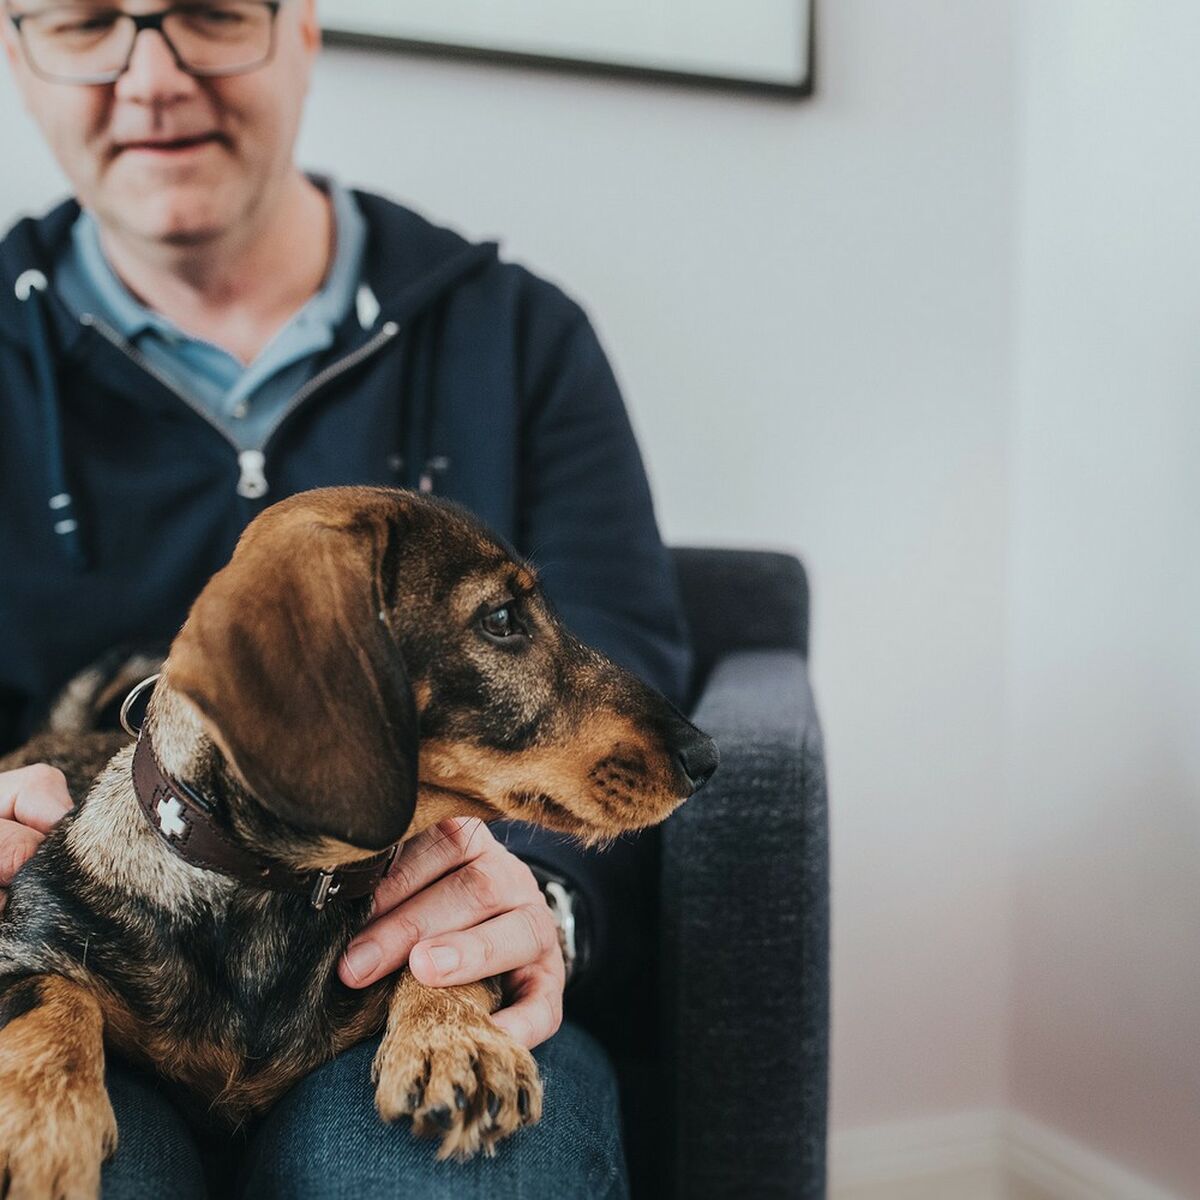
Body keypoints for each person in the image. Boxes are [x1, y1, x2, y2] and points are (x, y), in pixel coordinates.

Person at [0, 0, 692, 1196]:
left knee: (458, 1172)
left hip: (410, 957)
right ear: (16, 48)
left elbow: (620, 663)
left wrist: (531, 910)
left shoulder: (516, 336)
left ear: (305, 27)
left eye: (210, 12)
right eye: (83, 20)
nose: (151, 75)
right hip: (81, 958)